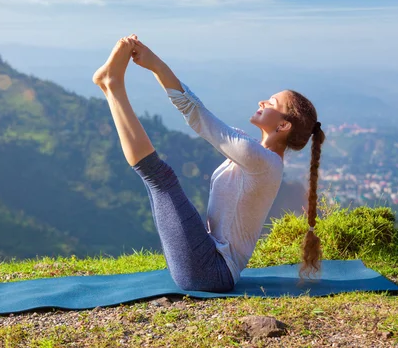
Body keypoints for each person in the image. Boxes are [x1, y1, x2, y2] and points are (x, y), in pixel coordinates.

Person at [92, 34, 326, 292]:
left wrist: (156, 65)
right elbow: (196, 110)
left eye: (272, 103)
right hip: (207, 260)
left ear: (283, 125)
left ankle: (113, 87)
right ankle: (111, 86)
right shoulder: (257, 155)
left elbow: (196, 113)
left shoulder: (263, 162)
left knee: (160, 178)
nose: (262, 102)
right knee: (158, 180)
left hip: (211, 272)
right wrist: (154, 65)